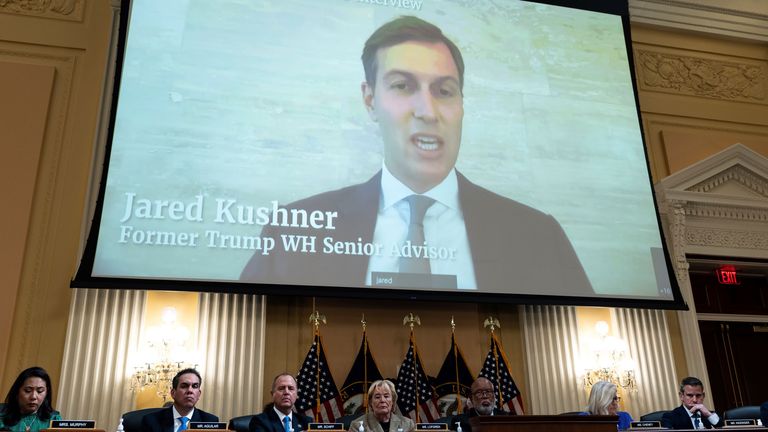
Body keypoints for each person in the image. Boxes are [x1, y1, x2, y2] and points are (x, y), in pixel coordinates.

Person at [241, 15, 593, 297]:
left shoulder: (538, 235)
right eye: (402, 86)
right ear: (370, 99)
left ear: (461, 104)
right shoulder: (295, 227)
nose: (428, 111)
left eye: (444, 91)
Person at [141, 368, 219, 432]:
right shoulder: (151, 420)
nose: (190, 390)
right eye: (184, 386)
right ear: (173, 393)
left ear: (199, 394)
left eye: (195, 386)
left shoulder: (210, 421)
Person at [0, 366, 61, 432]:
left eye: (40, 391)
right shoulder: (1, 415)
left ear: (46, 393)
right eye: (27, 390)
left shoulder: (54, 419)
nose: (33, 397)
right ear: (17, 391)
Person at [348, 380, 414, 432]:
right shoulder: (357, 425)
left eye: (386, 396)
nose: (382, 400)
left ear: (393, 401)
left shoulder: (407, 424)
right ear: (370, 402)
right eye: (377, 397)